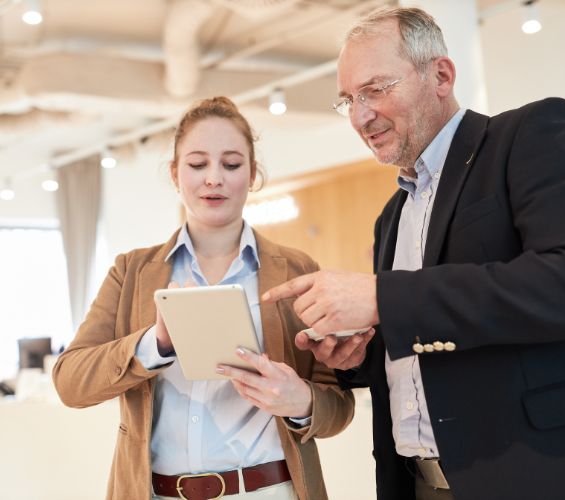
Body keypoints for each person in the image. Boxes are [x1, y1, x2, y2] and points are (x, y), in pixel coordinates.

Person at [262, 6, 565, 500]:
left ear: (440, 75)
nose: (361, 115)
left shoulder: (528, 135)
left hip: (531, 475)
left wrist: (384, 299)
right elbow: (423, 351)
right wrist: (359, 353)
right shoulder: (390, 216)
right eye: (350, 99)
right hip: (417, 483)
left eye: (376, 89)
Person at [52, 96, 354, 500]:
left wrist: (301, 402)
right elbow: (70, 382)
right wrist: (155, 344)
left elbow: (338, 404)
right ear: (176, 175)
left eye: (231, 164)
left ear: (252, 175)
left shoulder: (298, 270)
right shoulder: (131, 272)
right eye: (197, 165)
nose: (214, 178)